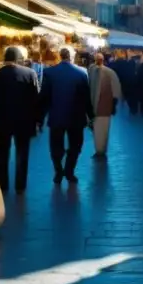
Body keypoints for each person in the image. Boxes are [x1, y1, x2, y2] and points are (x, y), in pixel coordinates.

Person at [40, 47, 94, 184]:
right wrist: (91, 116)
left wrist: (39, 117)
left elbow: (44, 97)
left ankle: (58, 172)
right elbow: (86, 98)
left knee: (55, 146)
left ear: (59, 56)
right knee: (75, 146)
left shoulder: (49, 73)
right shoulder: (82, 74)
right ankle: (69, 171)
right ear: (72, 57)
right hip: (76, 118)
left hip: (56, 116)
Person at [0, 46, 40, 192]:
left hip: (2, 119)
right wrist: (36, 120)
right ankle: (20, 186)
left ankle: (2, 185)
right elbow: (36, 98)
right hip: (24, 121)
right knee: (22, 154)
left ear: (5, 59)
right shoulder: (29, 73)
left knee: (2, 154)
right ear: (19, 59)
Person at [88, 53, 123, 158]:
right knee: (103, 130)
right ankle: (101, 150)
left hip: (98, 107)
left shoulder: (92, 72)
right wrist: (114, 104)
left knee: (99, 130)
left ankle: (100, 150)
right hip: (104, 108)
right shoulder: (109, 73)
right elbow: (117, 90)